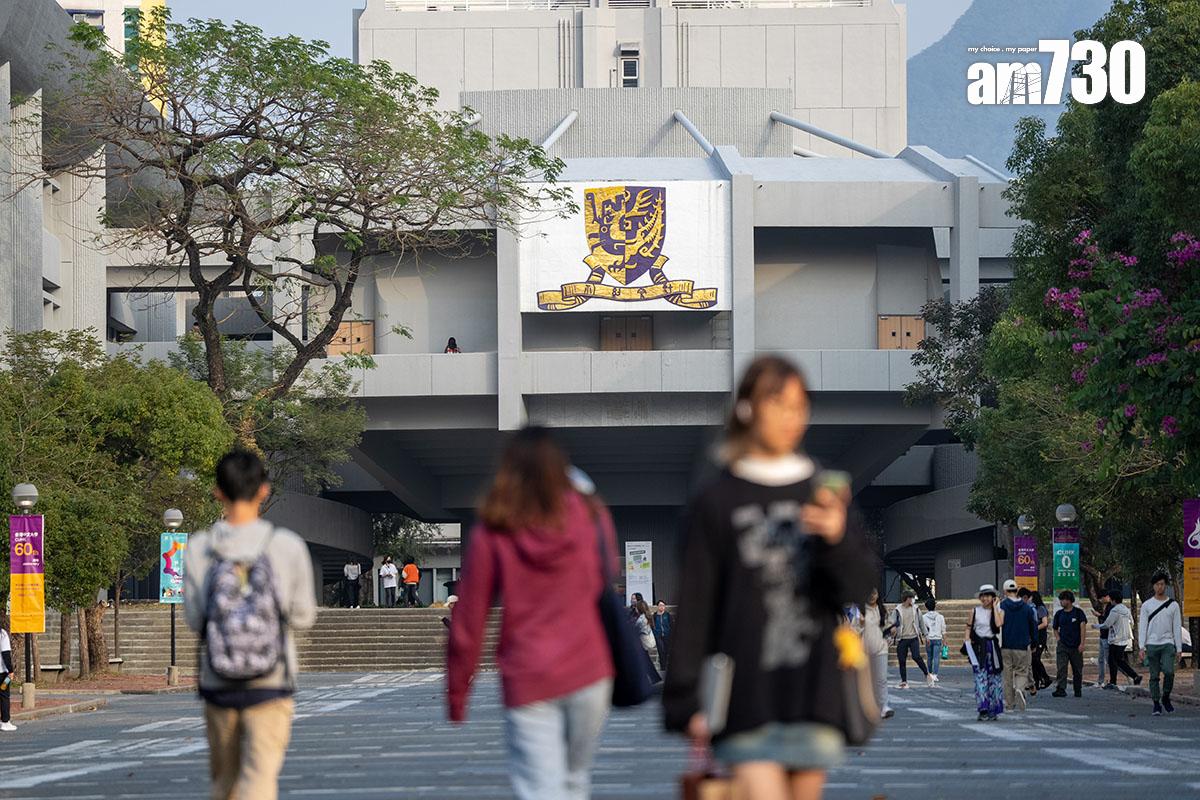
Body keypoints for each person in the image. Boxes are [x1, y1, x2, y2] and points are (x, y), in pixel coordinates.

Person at [663, 356, 876, 800]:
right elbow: (697, 602)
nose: (790, 417)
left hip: (815, 691)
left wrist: (836, 538)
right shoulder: (717, 499)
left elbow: (856, 589)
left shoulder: (821, 489)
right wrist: (685, 698)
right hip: (744, 697)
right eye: (777, 404)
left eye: (799, 406)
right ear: (746, 408)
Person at [446, 427, 617, 800]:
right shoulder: (590, 514)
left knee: (540, 790)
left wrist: (458, 692)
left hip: (528, 672)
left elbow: (469, 617)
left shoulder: (494, 527)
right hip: (589, 669)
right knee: (575, 782)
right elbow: (608, 573)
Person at [183, 449, 316, 800]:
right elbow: (304, 616)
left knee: (224, 783)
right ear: (264, 490)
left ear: (217, 492)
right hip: (271, 681)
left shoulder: (199, 548)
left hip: (218, 682)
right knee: (259, 778)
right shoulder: (286, 546)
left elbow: (195, 619)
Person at [1138, 571, 1182, 715]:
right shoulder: (1147, 605)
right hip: (1151, 644)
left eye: (1162, 584)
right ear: (1153, 586)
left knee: (1169, 672)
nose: (1160, 587)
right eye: (1157, 584)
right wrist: (1141, 647)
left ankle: (1166, 696)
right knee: (1154, 675)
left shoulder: (1173, 605)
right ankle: (1156, 703)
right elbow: (1142, 626)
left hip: (1168, 643)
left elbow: (1177, 627)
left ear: (1166, 585)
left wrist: (1179, 647)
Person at [965, 584, 1004, 721]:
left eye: (988, 596)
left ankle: (994, 708)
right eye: (983, 596)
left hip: (992, 646)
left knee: (995, 679)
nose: (985, 598)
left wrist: (995, 607)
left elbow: (998, 624)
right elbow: (968, 627)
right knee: (980, 678)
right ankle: (983, 708)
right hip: (979, 647)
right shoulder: (974, 611)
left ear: (993, 597)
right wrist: (967, 642)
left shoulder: (1000, 611)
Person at [998, 579, 1036, 712]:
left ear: (1005, 591)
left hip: (1005, 645)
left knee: (1007, 676)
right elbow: (1033, 626)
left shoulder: (1001, 606)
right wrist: (1034, 642)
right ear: (1017, 590)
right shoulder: (1027, 608)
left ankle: (1010, 704)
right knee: (1022, 671)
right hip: (1022, 645)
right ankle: (1020, 689)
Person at [857, 589, 894, 719]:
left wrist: (891, 632)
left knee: (881, 679)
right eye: (870, 593)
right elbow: (853, 630)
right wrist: (861, 624)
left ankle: (884, 706)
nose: (872, 596)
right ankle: (866, 707)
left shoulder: (882, 610)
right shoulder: (860, 610)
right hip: (864, 649)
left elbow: (888, 627)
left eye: (875, 593)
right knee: (866, 681)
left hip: (881, 648)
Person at [1096, 588, 1140, 688]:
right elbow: (1132, 623)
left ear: (1113, 600)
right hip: (1124, 639)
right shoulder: (1126, 609)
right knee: (1117, 660)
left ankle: (1125, 679)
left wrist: (1096, 626)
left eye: (1110, 598)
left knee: (1114, 661)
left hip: (1115, 639)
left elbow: (1107, 624)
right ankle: (1132, 677)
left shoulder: (1114, 610)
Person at [1051, 590, 1088, 698]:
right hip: (1063, 645)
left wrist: (1082, 643)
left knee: (1077, 669)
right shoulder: (1059, 614)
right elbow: (1055, 628)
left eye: (1063, 600)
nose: (1061, 602)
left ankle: (1078, 689)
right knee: (1061, 667)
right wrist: (1058, 639)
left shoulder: (1078, 613)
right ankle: (1061, 688)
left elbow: (1083, 627)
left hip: (1076, 645)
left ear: (1069, 600)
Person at [891, 590, 930, 688]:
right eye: (911, 598)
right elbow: (891, 623)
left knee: (916, 656)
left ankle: (927, 674)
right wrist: (892, 631)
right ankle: (904, 681)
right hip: (902, 638)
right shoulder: (897, 610)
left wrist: (926, 635)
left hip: (913, 637)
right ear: (906, 599)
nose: (912, 600)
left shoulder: (916, 609)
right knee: (902, 660)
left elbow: (921, 623)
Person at [634, 599, 663, 684]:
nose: (635, 609)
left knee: (644, 661)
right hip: (645, 642)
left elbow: (636, 630)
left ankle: (651, 679)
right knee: (646, 661)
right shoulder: (647, 616)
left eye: (636, 607)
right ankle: (655, 678)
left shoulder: (641, 619)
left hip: (642, 643)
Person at [1030, 591, 1052, 690]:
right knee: (1033, 660)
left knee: (1035, 658)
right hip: (1034, 637)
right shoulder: (1032, 609)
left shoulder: (1040, 609)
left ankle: (1045, 678)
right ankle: (1037, 681)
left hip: (1040, 637)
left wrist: (1034, 629)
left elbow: (1044, 623)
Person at [922, 598, 946, 685]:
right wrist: (945, 640)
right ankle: (935, 675)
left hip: (929, 638)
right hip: (938, 638)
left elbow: (923, 629)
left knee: (929, 657)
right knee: (936, 657)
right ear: (934, 606)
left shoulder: (924, 617)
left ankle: (930, 673)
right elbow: (943, 629)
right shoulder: (940, 617)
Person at [0, 615, 15, 732]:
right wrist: (11, 671)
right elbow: (6, 654)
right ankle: (5, 721)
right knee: (4, 695)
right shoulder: (2, 634)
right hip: (2, 673)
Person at [1094, 590, 1112, 688]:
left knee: (1110, 660)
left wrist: (1099, 616)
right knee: (1101, 660)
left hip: (1107, 636)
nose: (1100, 600)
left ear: (1106, 597)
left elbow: (1108, 622)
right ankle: (1100, 680)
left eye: (1101, 598)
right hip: (1103, 635)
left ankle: (1128, 675)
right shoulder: (1106, 607)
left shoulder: (1111, 607)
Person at [653, 601, 672, 671]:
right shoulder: (655, 615)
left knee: (666, 650)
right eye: (660, 605)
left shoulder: (667, 615)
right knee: (661, 650)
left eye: (663, 605)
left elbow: (671, 625)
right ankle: (662, 666)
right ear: (657, 606)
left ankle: (665, 665)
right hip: (658, 636)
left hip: (667, 635)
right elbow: (653, 625)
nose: (662, 607)